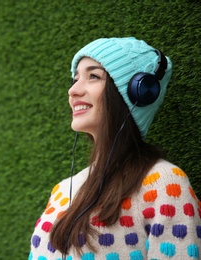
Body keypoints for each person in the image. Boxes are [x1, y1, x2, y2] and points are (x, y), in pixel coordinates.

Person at [28, 37, 201, 260]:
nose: (73, 91)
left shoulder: (165, 182)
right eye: (75, 78)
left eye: (93, 76)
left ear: (139, 92)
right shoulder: (62, 190)